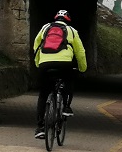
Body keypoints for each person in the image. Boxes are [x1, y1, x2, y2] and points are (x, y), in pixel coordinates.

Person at [33, 9, 87, 139]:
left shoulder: (45, 27)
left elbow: (36, 46)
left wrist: (38, 64)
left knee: (43, 95)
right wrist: (82, 68)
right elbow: (80, 52)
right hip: (64, 64)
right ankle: (66, 107)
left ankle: (40, 127)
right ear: (68, 20)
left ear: (55, 18)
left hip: (45, 64)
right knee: (69, 79)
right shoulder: (72, 31)